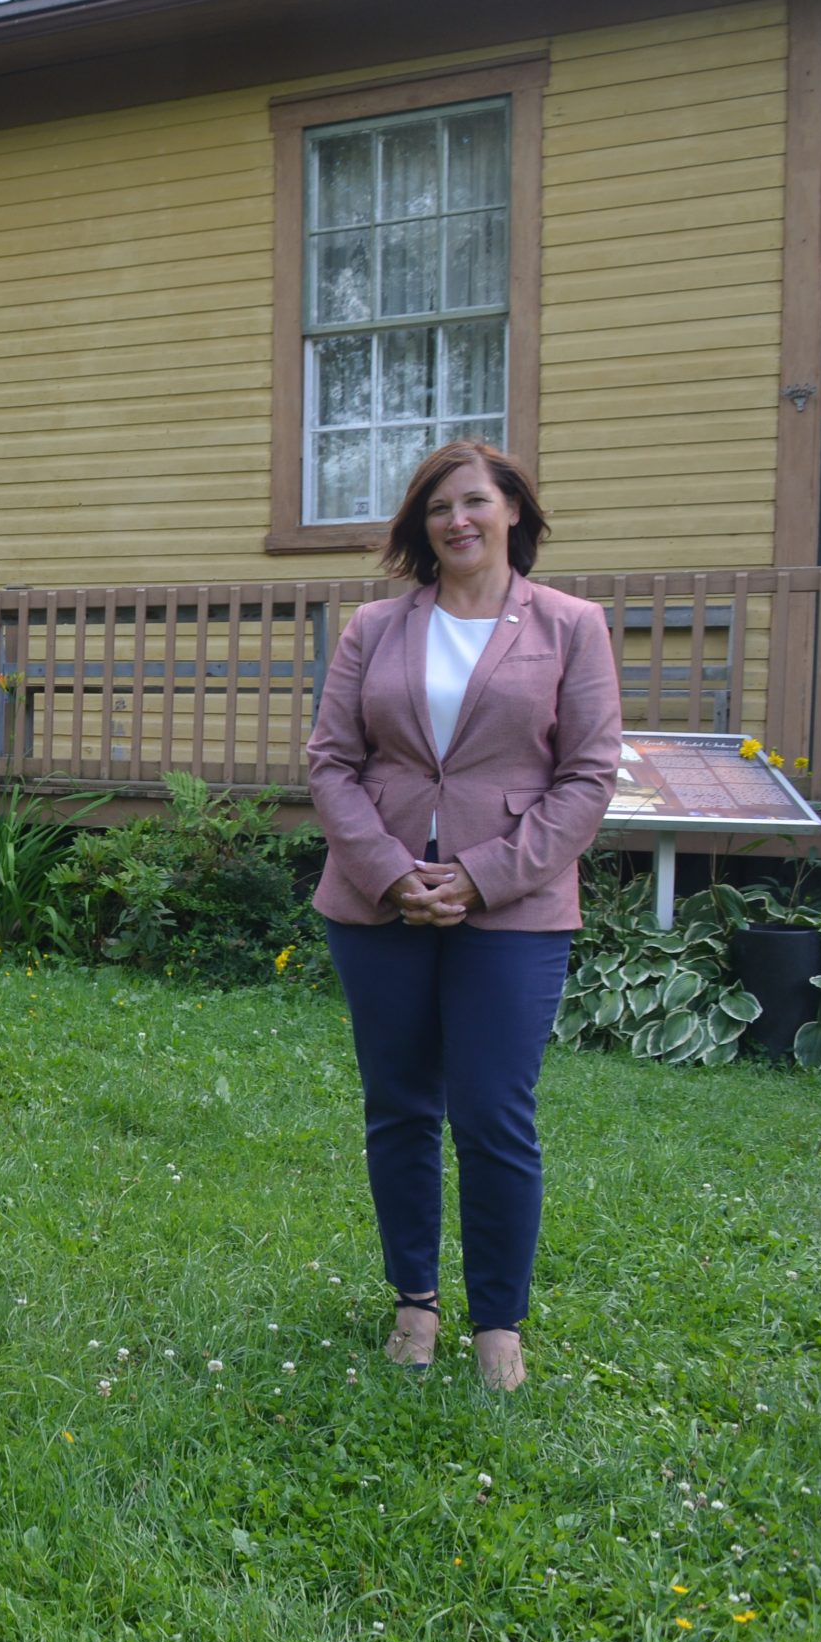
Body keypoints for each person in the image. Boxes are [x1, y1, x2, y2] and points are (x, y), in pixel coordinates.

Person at [305, 440, 620, 1392]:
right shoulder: (375, 628)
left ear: (513, 510)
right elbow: (332, 761)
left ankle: (498, 1323)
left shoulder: (572, 626)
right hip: (379, 902)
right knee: (400, 1108)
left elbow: (589, 774)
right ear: (422, 525)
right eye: (440, 508)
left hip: (514, 908)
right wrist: (394, 873)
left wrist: (479, 877)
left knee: (493, 1114)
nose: (459, 522)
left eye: (476, 502)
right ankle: (413, 1302)